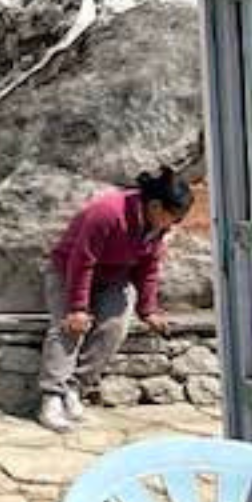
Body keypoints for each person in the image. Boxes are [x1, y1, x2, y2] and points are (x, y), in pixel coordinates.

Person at [37, 165, 193, 432]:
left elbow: (149, 267)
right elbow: (82, 260)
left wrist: (148, 309)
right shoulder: (108, 212)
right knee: (69, 328)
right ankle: (51, 397)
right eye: (174, 217)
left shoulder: (157, 227)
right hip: (68, 271)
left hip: (113, 277)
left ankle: (74, 389)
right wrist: (77, 308)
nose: (175, 224)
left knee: (114, 326)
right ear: (155, 206)